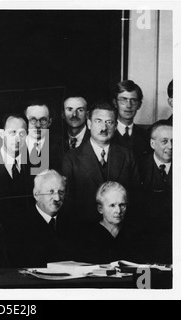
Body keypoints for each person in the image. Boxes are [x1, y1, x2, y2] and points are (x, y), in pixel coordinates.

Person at [62, 101, 140, 224]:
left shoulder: (127, 156)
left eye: (109, 122)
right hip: (85, 231)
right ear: (89, 124)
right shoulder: (71, 158)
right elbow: (68, 203)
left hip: (121, 230)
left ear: (115, 126)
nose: (104, 128)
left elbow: (135, 197)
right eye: (98, 121)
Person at [0, 113, 33, 267]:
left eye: (22, 133)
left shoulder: (33, 168)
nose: (17, 138)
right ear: (2, 134)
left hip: (25, 245)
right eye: (12, 133)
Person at [73, 182, 144, 264]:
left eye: (122, 205)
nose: (118, 211)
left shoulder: (135, 234)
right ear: (100, 209)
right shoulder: (87, 235)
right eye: (112, 205)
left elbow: (144, 269)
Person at [20, 170, 71, 268]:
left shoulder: (72, 223)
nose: (57, 198)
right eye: (50, 192)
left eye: (61, 192)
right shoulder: (20, 226)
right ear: (36, 194)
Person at [139, 120, 172, 264]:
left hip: (173, 242)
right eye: (165, 141)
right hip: (145, 240)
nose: (171, 146)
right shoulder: (138, 166)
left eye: (174, 141)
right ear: (153, 144)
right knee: (146, 283)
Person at [112, 80, 150, 160]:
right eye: (123, 100)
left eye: (133, 100)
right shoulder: (107, 133)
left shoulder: (146, 136)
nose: (129, 105)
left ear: (139, 105)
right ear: (115, 103)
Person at [24, 100, 63, 172]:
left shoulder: (60, 148)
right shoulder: (15, 147)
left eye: (43, 120)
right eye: (33, 119)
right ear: (26, 122)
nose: (38, 125)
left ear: (49, 122)